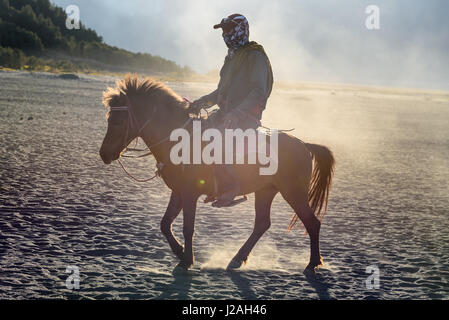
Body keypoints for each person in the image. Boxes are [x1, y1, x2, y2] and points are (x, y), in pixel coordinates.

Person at [190, 13, 273, 207]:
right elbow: (222, 90)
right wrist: (200, 103)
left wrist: (237, 113)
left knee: (219, 139)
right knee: (196, 133)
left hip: (246, 116)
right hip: (227, 113)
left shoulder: (255, 55)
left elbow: (259, 91)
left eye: (228, 30)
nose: (225, 35)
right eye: (223, 31)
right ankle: (211, 184)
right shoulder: (232, 56)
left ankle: (232, 186)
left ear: (240, 30)